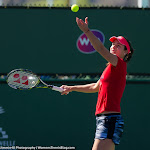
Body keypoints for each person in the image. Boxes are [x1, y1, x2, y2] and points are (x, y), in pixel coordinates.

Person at [60, 17, 134, 150]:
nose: (113, 46)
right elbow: (95, 87)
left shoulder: (120, 64)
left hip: (109, 120)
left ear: (125, 52)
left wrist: (87, 31)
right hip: (103, 119)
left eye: (118, 45)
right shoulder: (110, 68)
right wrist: (71, 88)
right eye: (113, 44)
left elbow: (100, 48)